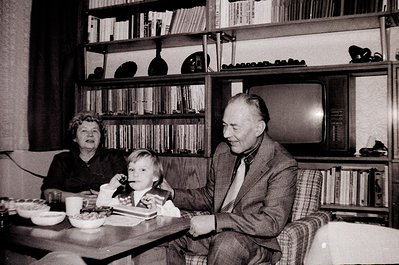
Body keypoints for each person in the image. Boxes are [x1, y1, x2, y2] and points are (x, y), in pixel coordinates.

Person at [164, 93, 298, 265]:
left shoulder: (281, 163)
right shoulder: (223, 151)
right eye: (225, 125)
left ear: (259, 128)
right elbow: (209, 196)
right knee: (165, 236)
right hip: (218, 232)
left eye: (235, 127)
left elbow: (271, 222)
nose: (226, 134)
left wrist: (216, 221)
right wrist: (172, 194)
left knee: (226, 244)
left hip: (255, 241)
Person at [41, 112, 127, 203]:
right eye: (84, 131)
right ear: (74, 137)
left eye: (95, 131)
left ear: (100, 137)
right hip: (71, 210)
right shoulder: (62, 159)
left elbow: (128, 190)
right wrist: (76, 198)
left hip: (107, 209)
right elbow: (48, 193)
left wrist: (105, 197)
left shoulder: (114, 156)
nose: (90, 134)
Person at [96, 148, 180, 217]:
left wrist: (157, 210)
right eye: (131, 170)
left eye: (143, 170)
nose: (135, 174)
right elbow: (101, 206)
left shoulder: (161, 197)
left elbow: (176, 215)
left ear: (155, 176)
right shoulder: (124, 198)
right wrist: (110, 187)